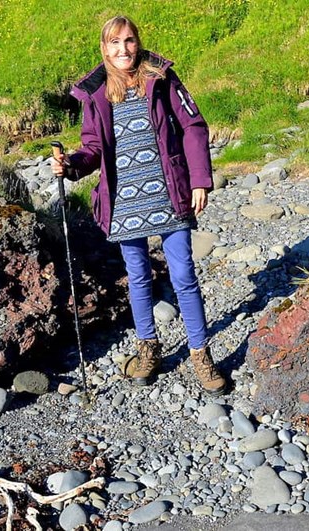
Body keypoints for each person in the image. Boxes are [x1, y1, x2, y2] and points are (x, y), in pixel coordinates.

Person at [53, 15, 228, 395]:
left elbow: (194, 126)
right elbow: (93, 149)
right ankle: (148, 349)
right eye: (115, 43)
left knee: (183, 275)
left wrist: (200, 179)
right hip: (125, 201)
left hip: (169, 193)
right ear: (104, 48)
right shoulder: (95, 93)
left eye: (129, 41)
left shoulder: (161, 78)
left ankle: (200, 353)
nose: (123, 50)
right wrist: (70, 166)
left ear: (138, 42)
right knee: (138, 277)